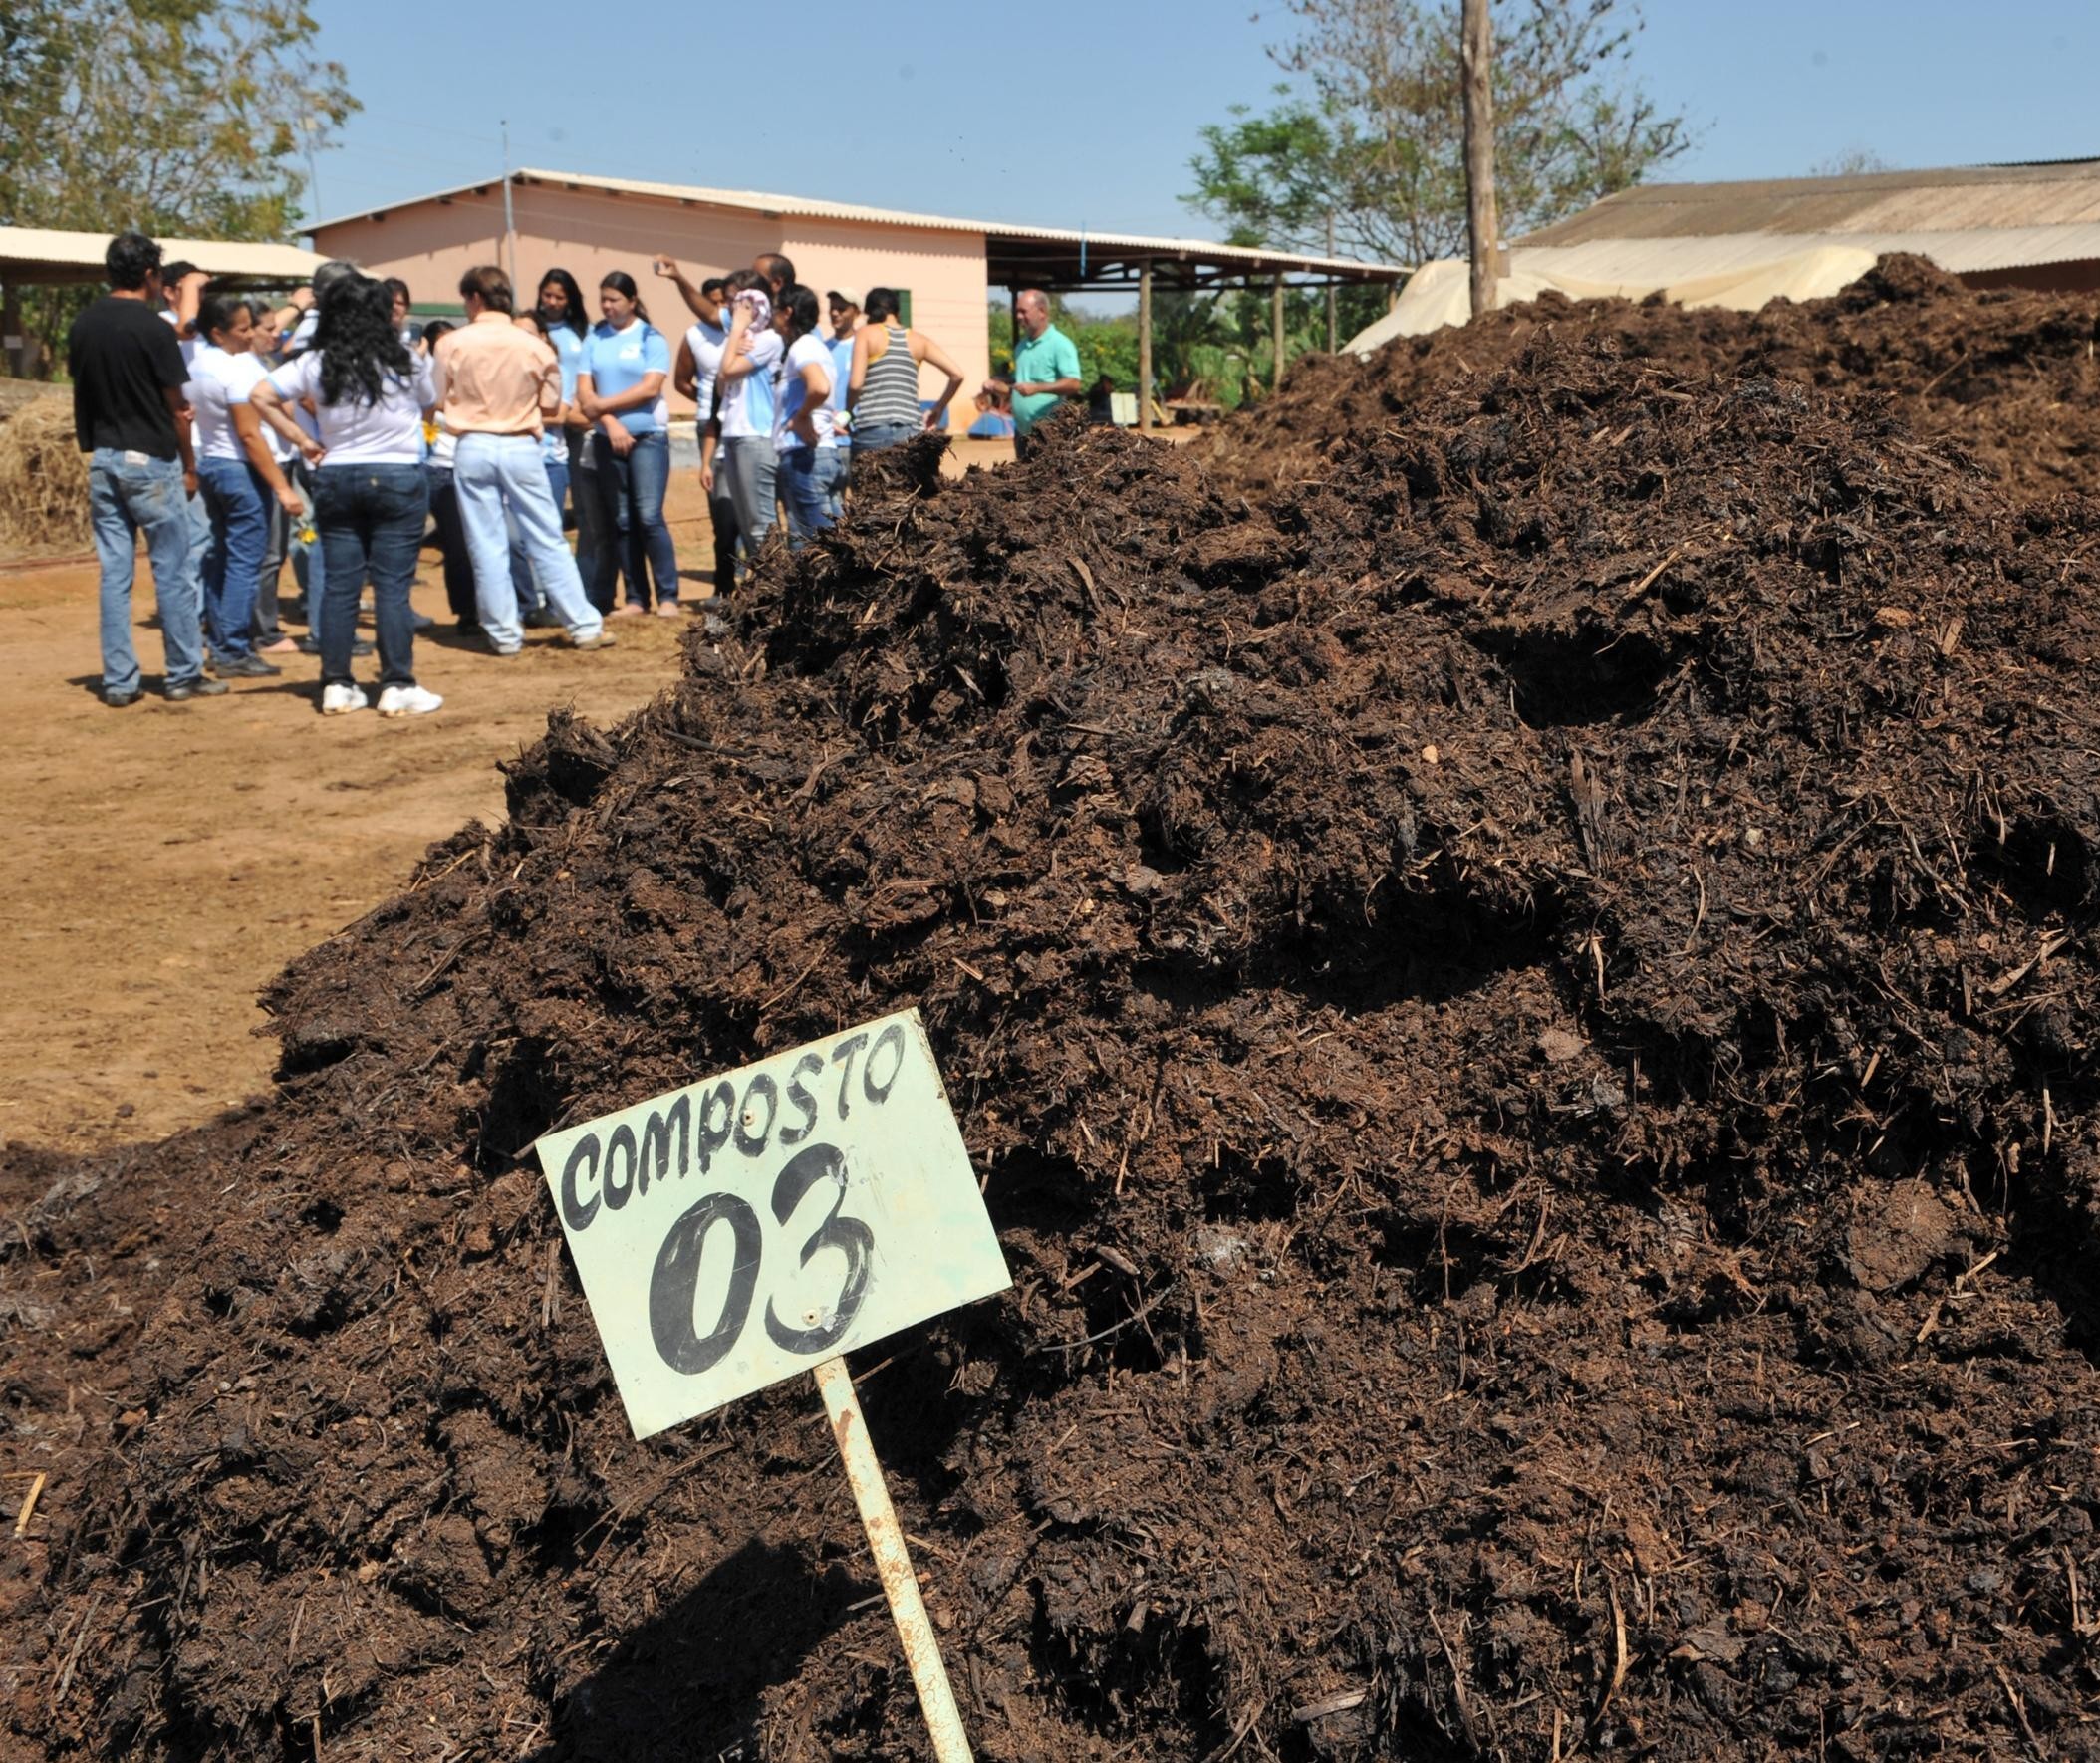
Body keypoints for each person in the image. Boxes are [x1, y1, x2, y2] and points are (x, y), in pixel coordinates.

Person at [253, 275, 442, 716]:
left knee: (339, 585)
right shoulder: (405, 361)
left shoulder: (315, 361)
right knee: (392, 587)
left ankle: (336, 683)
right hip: (397, 475)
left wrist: (302, 439)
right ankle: (397, 683)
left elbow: (260, 395)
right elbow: (431, 402)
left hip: (336, 475)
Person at [67, 232, 224, 705]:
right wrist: (190, 465)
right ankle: (182, 674)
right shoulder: (154, 329)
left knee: (115, 574)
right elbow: (178, 407)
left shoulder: (83, 324)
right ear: (152, 275)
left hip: (105, 459)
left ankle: (119, 682)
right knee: (172, 570)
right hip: (151, 461)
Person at [433, 266, 612, 654]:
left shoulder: (452, 343)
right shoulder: (533, 344)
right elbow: (550, 404)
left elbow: (439, 398)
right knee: (547, 535)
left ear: (475, 298)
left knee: (486, 541)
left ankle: (503, 635)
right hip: (521, 444)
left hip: (474, 444)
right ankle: (582, 625)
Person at [186, 290, 307, 677]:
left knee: (223, 557)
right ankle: (233, 649)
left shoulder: (197, 364)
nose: (248, 335)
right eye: (241, 329)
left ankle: (221, 640)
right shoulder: (236, 369)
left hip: (212, 465)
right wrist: (282, 487)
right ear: (218, 332)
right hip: (239, 470)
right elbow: (251, 436)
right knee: (244, 562)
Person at [577, 271, 679, 617]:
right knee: (621, 520)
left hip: (648, 437)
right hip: (609, 441)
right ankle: (636, 597)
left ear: (632, 301)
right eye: (603, 299)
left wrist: (602, 409)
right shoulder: (594, 337)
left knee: (649, 516)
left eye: (614, 299)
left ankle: (669, 595)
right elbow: (584, 391)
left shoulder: (652, 337)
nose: (607, 306)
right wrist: (610, 424)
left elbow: (650, 388)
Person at [503, 309, 578, 630]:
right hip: (514, 459)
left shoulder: (556, 367)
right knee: (513, 538)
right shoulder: (504, 369)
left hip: (549, 462)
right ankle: (529, 603)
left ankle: (556, 602)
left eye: (530, 333)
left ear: (544, 337)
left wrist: (514, 414)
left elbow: (560, 414)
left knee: (547, 536)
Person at [847, 287, 964, 476]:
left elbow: (855, 384)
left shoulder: (865, 333)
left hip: (872, 429)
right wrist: (939, 407)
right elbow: (957, 374)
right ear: (897, 312)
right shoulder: (919, 340)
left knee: (869, 500)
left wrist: (847, 412)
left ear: (868, 312)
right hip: (910, 432)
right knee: (906, 498)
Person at [671, 275, 738, 595]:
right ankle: (723, 585)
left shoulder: (743, 334)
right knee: (721, 510)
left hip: (741, 423)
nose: (720, 306)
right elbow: (681, 381)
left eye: (725, 300)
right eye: (714, 301)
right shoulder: (695, 335)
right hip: (710, 424)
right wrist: (707, 401)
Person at [713, 268, 784, 562]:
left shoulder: (769, 339)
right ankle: (764, 589)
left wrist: (735, 332)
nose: (732, 309)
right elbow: (721, 384)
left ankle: (780, 589)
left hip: (755, 436)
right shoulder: (737, 341)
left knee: (761, 525)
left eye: (738, 303)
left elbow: (729, 370)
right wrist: (734, 339)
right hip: (732, 434)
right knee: (746, 525)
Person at [535, 269, 597, 593]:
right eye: (548, 295)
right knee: (548, 513)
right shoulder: (533, 330)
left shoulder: (583, 332)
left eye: (560, 296)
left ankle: (583, 583)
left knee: (586, 512)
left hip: (580, 424)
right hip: (550, 427)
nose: (553, 302)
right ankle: (544, 588)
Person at [419, 319, 481, 632]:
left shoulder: (471, 373)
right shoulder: (426, 378)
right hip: (440, 469)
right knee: (457, 544)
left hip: (474, 466)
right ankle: (466, 612)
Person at [769, 285, 836, 549]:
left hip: (803, 455)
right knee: (832, 542)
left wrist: (801, 416)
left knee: (818, 548)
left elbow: (819, 387)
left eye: (775, 310)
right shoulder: (815, 346)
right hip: (821, 453)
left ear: (787, 312)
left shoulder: (803, 346)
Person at [1010, 290, 1084, 459]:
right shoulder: (1021, 346)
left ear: (1042, 311)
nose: (1019, 317)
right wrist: (999, 384)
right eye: (1017, 312)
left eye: (1023, 311)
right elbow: (1021, 382)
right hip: (1022, 433)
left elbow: (1074, 383)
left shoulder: (1060, 344)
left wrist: (1037, 388)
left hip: (1048, 435)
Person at [822, 288, 860, 517]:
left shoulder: (864, 346)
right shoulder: (822, 348)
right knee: (834, 504)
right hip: (832, 438)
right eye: (832, 308)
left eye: (841, 308)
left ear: (856, 311)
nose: (835, 313)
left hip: (860, 436)